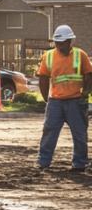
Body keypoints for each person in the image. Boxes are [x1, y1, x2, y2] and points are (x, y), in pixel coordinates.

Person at [35, 24, 90, 172]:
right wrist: (46, 98)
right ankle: (43, 161)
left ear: (70, 41)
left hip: (76, 100)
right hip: (56, 101)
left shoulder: (80, 55)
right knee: (49, 132)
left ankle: (80, 163)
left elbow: (88, 75)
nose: (60, 45)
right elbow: (43, 78)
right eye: (57, 43)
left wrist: (85, 94)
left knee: (79, 133)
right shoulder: (49, 56)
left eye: (63, 42)